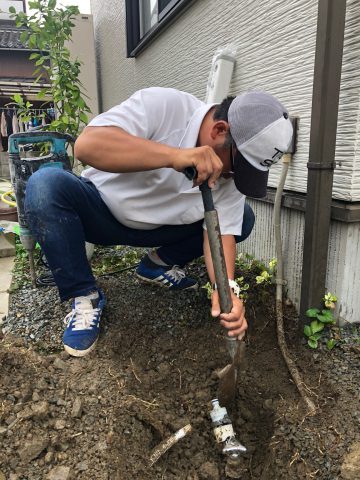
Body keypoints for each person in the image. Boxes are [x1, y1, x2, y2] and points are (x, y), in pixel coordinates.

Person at [25, 87, 293, 357]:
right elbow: (87, 146)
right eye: (236, 167)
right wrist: (174, 157)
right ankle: (84, 295)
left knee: (243, 219)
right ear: (219, 130)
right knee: (45, 185)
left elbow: (221, 233)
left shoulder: (231, 175)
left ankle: (156, 264)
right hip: (103, 212)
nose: (233, 177)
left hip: (162, 230)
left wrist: (227, 290)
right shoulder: (165, 106)